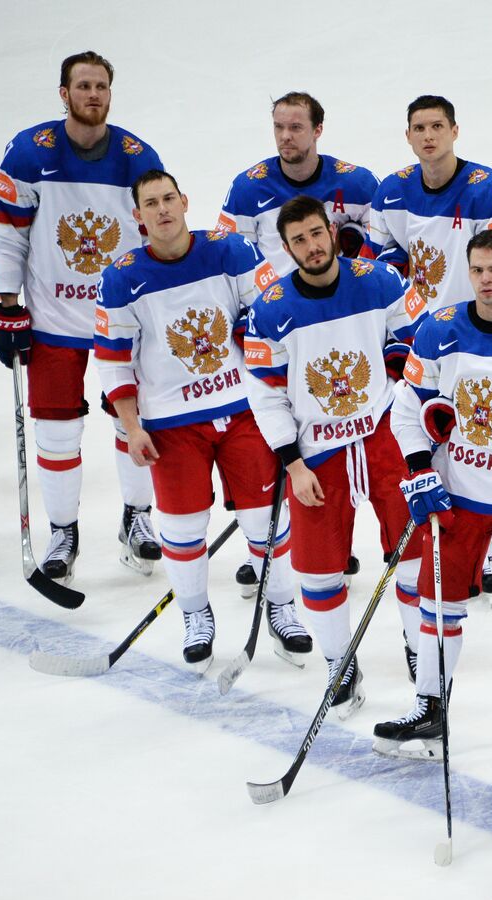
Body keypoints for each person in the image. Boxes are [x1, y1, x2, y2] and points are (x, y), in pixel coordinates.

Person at [94, 169, 306, 665]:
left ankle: (280, 605)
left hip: (243, 410)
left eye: (170, 198)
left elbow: (273, 316)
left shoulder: (231, 251)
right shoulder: (122, 277)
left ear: (186, 201)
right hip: (171, 423)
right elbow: (113, 359)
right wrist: (131, 427)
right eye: (152, 203)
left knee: (264, 518)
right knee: (184, 526)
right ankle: (195, 612)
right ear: (138, 215)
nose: (163, 209)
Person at [374, 228, 492, 758]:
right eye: (478, 270)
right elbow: (407, 407)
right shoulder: (439, 328)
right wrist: (419, 468)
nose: (486, 280)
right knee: (437, 604)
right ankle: (431, 704)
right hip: (459, 493)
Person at [245, 195, 427, 719]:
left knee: (412, 556)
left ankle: (419, 646)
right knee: (318, 572)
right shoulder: (271, 308)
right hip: (316, 452)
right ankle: (338, 662)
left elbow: (414, 339)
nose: (311, 245)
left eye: (316, 233)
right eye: (298, 239)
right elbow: (265, 393)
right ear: (286, 247)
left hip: (384, 437)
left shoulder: (380, 281)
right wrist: (292, 462)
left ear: (331, 231)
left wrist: (398, 386)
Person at [0, 51, 166, 581]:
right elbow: (6, 232)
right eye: (83, 86)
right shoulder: (28, 152)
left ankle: (137, 518)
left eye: (102, 86)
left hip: (121, 323)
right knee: (58, 432)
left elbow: (157, 234)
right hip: (53, 322)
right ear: (63, 93)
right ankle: (63, 531)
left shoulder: (137, 157)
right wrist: (4, 304)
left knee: (131, 422)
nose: (94, 95)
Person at [363, 94, 492, 595]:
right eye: (419, 127)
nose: (429, 136)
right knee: (437, 439)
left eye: (438, 126)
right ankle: (460, 533)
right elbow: (383, 263)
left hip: (483, 339)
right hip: (426, 337)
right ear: (408, 135)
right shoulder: (391, 192)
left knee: (488, 429)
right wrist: (399, 331)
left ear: (455, 131)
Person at [214, 91, 376, 593]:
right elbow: (227, 256)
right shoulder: (248, 188)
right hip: (272, 329)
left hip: (335, 328)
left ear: (317, 131)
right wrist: (240, 320)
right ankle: (258, 544)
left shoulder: (357, 182)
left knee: (333, 431)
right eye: (279, 127)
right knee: (269, 438)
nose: (287, 137)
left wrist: (359, 249)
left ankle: (335, 542)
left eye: (296, 127)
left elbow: (383, 246)